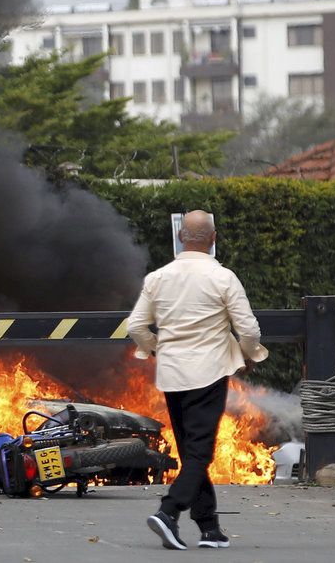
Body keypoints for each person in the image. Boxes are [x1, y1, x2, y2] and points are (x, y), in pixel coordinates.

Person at [127, 210, 265, 551]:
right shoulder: (223, 278)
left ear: (180, 238)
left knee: (192, 451)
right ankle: (169, 511)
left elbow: (135, 327)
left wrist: (155, 348)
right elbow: (248, 329)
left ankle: (209, 528)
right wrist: (251, 355)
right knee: (200, 452)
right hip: (210, 371)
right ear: (213, 239)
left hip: (173, 374)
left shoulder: (158, 278)